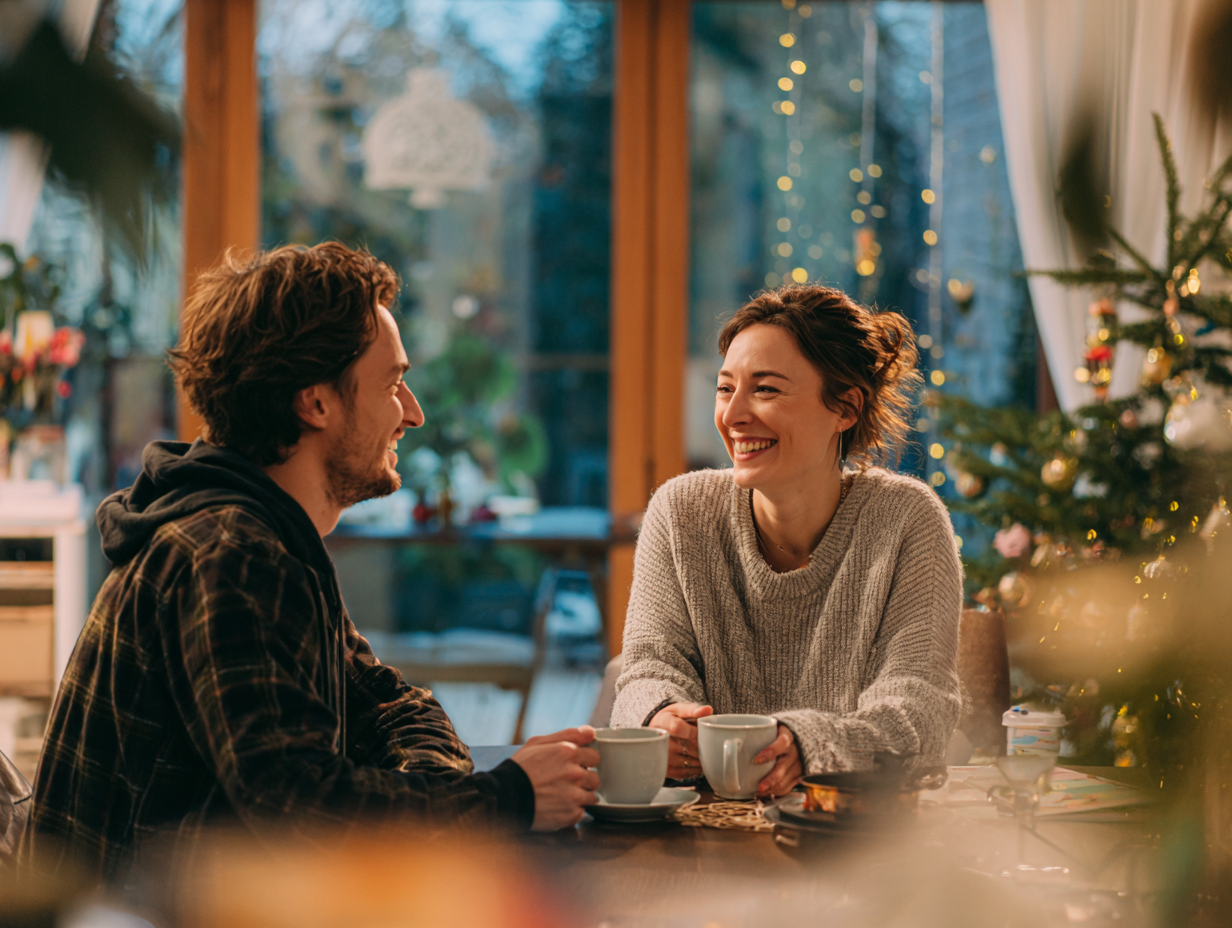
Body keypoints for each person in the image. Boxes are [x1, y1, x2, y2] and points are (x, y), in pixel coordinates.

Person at [22, 243, 599, 885]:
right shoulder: (229, 553)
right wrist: (507, 801)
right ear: (316, 403)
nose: (413, 412)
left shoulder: (258, 534)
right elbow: (300, 812)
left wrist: (435, 789)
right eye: (392, 383)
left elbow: (385, 701)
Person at [610, 284, 962, 796]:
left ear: (845, 408)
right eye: (725, 388)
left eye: (766, 389)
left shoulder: (907, 521)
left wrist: (808, 744)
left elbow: (920, 711)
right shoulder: (681, 511)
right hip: (699, 841)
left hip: (851, 842)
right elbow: (648, 669)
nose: (732, 417)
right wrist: (661, 714)